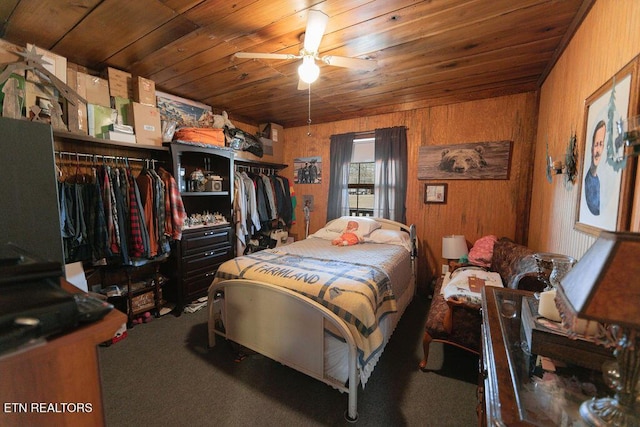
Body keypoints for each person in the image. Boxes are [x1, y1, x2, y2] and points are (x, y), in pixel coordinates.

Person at [585, 120, 605, 215]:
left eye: (601, 144)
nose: (598, 151)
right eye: (596, 144)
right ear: (591, 148)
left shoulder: (602, 180)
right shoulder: (588, 180)